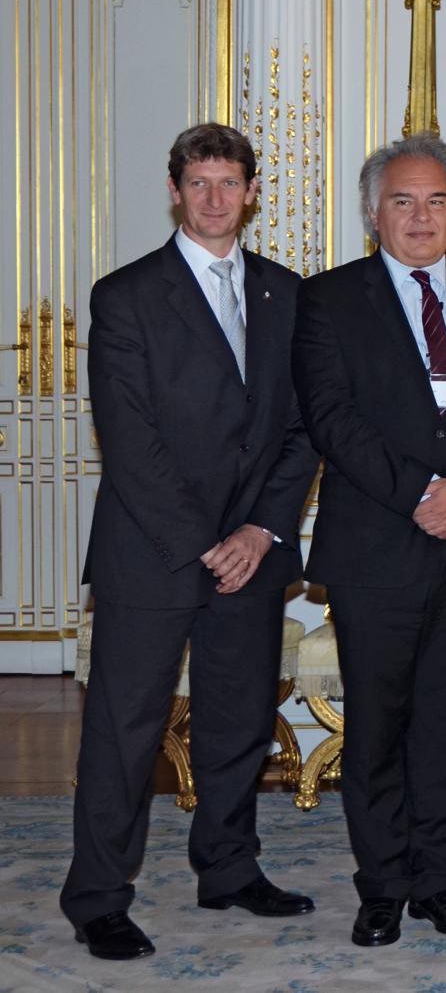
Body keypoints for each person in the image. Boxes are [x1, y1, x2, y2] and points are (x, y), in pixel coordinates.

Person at [62, 124, 321, 962]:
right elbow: (129, 442)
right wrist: (207, 543)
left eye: (229, 182)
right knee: (126, 731)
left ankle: (228, 867)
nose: (215, 198)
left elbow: (301, 430)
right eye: (199, 182)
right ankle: (98, 896)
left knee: (238, 724)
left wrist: (258, 531)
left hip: (254, 552)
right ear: (174, 189)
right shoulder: (126, 295)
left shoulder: (289, 294)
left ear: (253, 191)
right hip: (153, 553)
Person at [294, 134, 446, 948]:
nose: (422, 216)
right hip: (377, 548)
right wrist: (419, 494)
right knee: (377, 724)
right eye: (403, 200)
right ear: (374, 212)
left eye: (437, 200)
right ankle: (381, 885)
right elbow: (332, 417)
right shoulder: (329, 300)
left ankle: (438, 880)